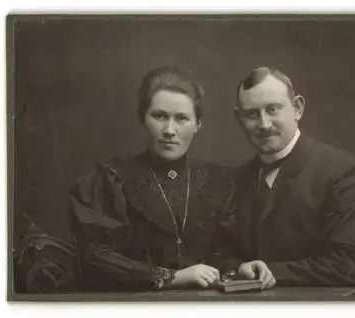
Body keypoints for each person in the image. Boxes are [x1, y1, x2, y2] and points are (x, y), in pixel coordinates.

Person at [69, 67, 233, 292]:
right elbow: (95, 257)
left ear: (197, 125)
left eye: (182, 118)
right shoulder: (112, 178)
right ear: (142, 119)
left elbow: (225, 254)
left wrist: (241, 267)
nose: (169, 130)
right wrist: (173, 277)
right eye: (159, 116)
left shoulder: (216, 183)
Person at [218, 66, 355, 289]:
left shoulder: (345, 172)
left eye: (273, 109)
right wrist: (240, 268)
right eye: (252, 114)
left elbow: (353, 265)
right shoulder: (238, 179)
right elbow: (221, 255)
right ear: (239, 118)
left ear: (297, 108)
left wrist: (270, 272)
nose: (264, 124)